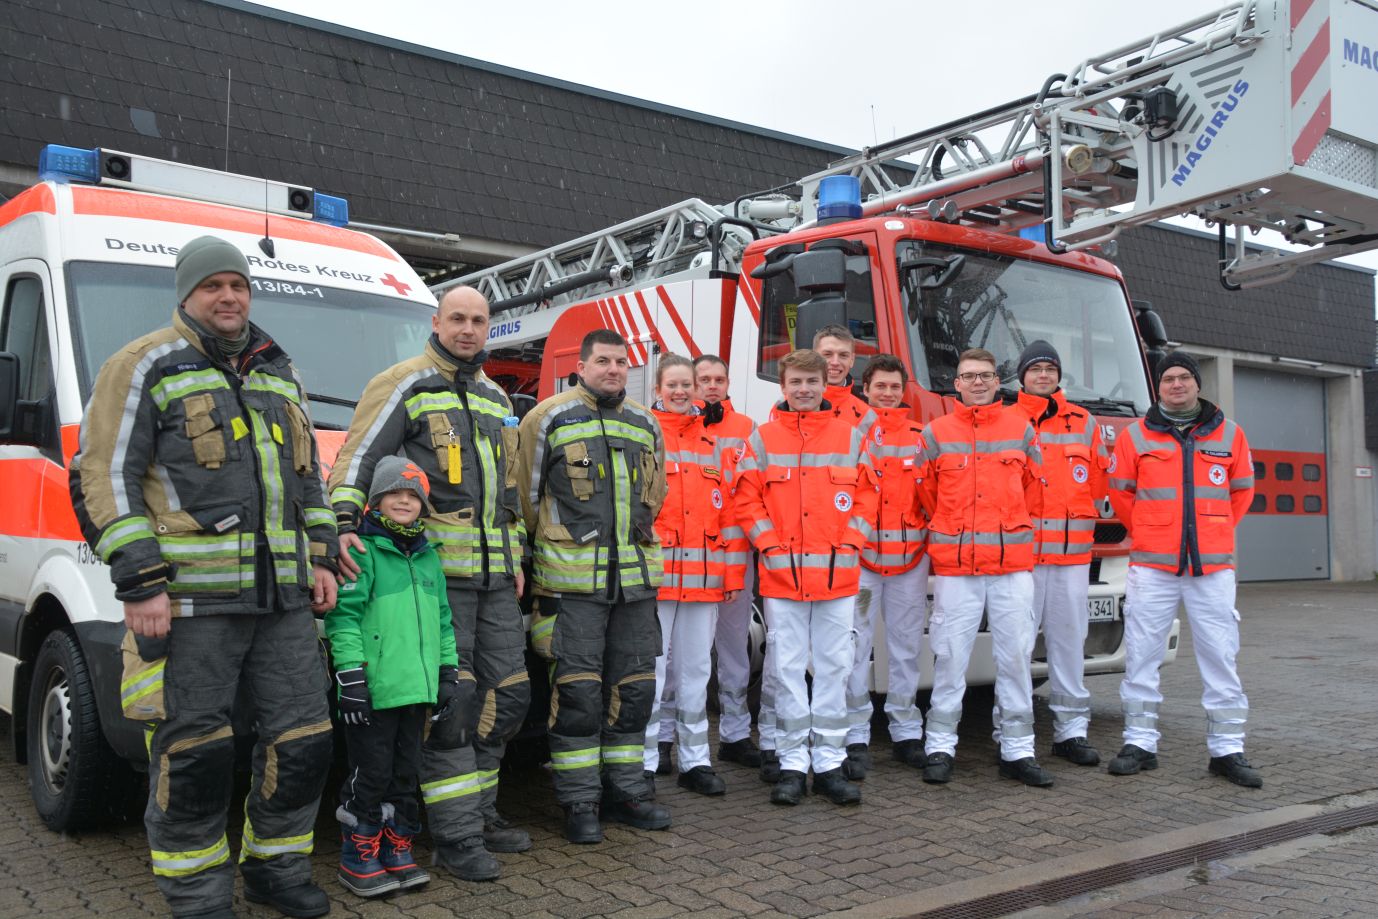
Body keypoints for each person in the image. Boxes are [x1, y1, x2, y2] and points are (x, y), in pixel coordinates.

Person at [72, 236, 338, 919]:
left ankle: (275, 869)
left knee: (304, 741)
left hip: (283, 603)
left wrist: (323, 555)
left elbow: (308, 477)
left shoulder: (280, 372)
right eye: (214, 285)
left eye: (239, 284)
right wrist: (140, 582)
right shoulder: (144, 364)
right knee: (196, 754)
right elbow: (104, 476)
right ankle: (196, 892)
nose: (229, 296)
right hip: (190, 606)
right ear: (187, 294)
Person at [328, 285, 530, 881]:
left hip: (496, 577)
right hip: (431, 578)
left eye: (479, 321)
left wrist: (516, 556)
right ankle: (457, 837)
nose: (469, 330)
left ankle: (481, 811)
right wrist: (343, 526)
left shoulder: (496, 397)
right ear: (436, 322)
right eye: (458, 319)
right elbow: (357, 462)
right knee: (453, 705)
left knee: (510, 695)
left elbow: (508, 493)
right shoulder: (404, 383)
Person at [517, 328, 671, 843]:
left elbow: (656, 496)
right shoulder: (549, 417)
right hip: (571, 588)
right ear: (580, 366)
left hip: (635, 588)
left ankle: (626, 793)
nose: (613, 369)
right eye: (603, 360)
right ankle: (580, 803)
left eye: (621, 362)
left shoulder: (646, 423)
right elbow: (524, 499)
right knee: (578, 695)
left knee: (634, 693)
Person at [1106, 352, 1261, 787]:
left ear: (1197, 384)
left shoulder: (1231, 435)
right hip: (1152, 566)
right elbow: (1121, 494)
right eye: (1169, 379)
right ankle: (1139, 743)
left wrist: (1213, 530)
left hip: (1211, 568)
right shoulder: (1135, 436)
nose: (1176, 385)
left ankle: (1228, 750)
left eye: (1184, 378)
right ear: (1158, 388)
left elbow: (1241, 493)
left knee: (1220, 656)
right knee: (1141, 655)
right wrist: (1152, 529)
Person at [734, 348, 879, 806]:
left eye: (811, 382)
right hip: (783, 579)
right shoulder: (762, 439)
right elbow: (745, 501)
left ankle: (831, 766)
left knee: (836, 669)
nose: (803, 390)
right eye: (795, 382)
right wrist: (770, 547)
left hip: (837, 580)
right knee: (788, 671)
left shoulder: (850, 437)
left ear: (825, 386)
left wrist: (852, 543)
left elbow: (868, 498)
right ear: (783, 387)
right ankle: (794, 766)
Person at [916, 347, 1054, 788]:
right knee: (950, 656)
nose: (978, 382)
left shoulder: (1021, 430)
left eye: (986, 375)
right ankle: (939, 746)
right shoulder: (936, 433)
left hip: (1011, 566)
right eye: (969, 376)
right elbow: (927, 495)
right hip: (958, 569)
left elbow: (1034, 491)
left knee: (1014, 657)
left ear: (998, 382)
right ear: (956, 384)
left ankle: (1017, 750)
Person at [326, 457, 458, 898]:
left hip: (416, 691)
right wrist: (351, 679)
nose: (404, 500)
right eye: (394, 493)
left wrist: (447, 672)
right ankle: (357, 852)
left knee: (405, 774)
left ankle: (396, 846)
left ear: (423, 505)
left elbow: (442, 620)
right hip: (376, 691)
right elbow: (343, 619)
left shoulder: (427, 557)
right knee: (371, 773)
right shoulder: (363, 551)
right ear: (376, 500)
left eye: (413, 495)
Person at [654, 355, 765, 777]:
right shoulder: (662, 433)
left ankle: (720, 744)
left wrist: (737, 567)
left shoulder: (739, 432)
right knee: (664, 664)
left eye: (719, 379)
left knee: (720, 658)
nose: (708, 387)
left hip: (723, 566)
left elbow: (738, 503)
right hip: (672, 570)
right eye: (702, 380)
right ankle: (660, 745)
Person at [1004, 340, 1108, 767]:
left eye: (1050, 368)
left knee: (1069, 646)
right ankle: (1014, 736)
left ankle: (1071, 732)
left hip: (1070, 560)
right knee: (1016, 649)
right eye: (1035, 369)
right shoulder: (1006, 421)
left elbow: (1099, 484)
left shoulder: (1084, 423)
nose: (1043, 375)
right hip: (1021, 561)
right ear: (1022, 377)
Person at [842, 354, 931, 778]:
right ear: (866, 388)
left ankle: (905, 730)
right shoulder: (849, 435)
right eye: (881, 386)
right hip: (861, 561)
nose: (889, 394)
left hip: (911, 559)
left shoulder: (922, 436)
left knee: (905, 649)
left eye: (896, 387)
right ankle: (855, 734)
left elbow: (932, 492)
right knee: (855, 648)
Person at [812, 325, 877, 437]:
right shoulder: (787, 405)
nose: (835, 362)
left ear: (852, 360)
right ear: (813, 356)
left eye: (843, 355)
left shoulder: (866, 416)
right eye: (827, 354)